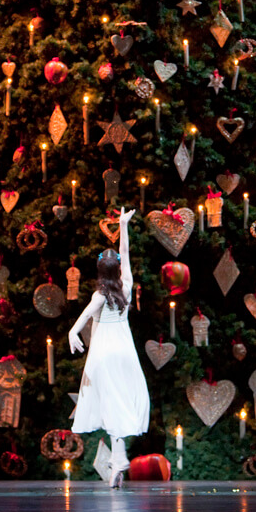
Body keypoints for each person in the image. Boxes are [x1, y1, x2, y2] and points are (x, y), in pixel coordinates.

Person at [68, 206, 150, 487]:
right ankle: (118, 459)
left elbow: (86, 314)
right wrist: (123, 226)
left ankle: (118, 457)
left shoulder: (100, 293)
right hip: (124, 350)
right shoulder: (126, 286)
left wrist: (72, 333)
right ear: (117, 271)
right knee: (117, 400)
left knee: (109, 400)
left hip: (104, 351)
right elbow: (125, 254)